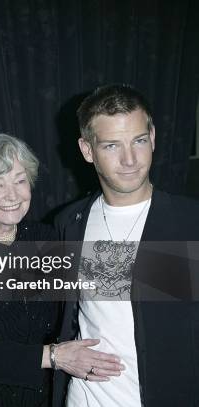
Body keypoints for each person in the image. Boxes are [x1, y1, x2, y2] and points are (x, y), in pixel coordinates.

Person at [0, 132, 123, 407]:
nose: (13, 195)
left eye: (20, 181)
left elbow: (114, 281)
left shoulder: (48, 239)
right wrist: (54, 356)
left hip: (41, 399)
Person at [53, 84, 199, 406]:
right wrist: (56, 355)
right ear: (87, 150)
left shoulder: (190, 222)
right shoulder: (69, 223)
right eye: (111, 146)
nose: (130, 159)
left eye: (139, 141)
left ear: (153, 138)